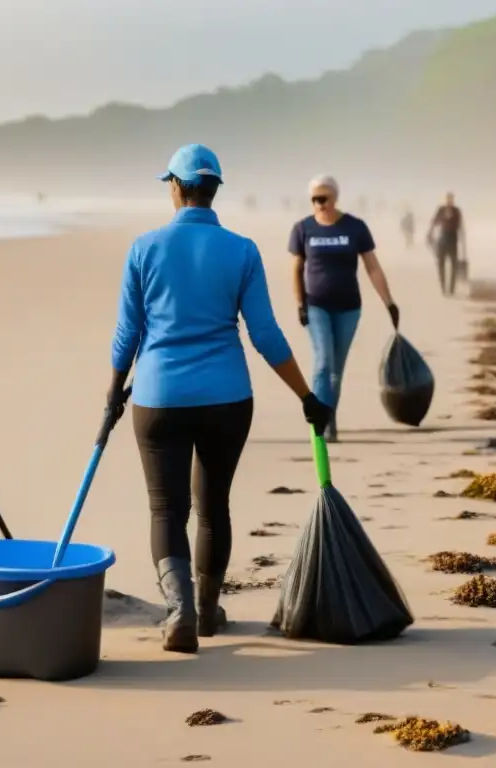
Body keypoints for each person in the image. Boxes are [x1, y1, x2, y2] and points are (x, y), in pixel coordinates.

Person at [106, 144, 334, 654]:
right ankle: (207, 613)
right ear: (213, 190)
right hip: (227, 397)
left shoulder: (144, 248)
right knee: (213, 508)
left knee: (166, 510)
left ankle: (179, 610)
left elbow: (128, 334)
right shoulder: (242, 250)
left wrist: (111, 395)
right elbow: (266, 335)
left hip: (158, 396)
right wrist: (306, 394)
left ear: (175, 187)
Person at [288, 175, 400, 442]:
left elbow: (372, 267)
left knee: (337, 370)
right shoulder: (303, 229)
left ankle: (331, 417)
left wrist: (389, 302)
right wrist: (299, 304)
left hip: (349, 308)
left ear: (335, 197)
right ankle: (320, 421)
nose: (319, 204)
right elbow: (296, 268)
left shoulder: (355, 227)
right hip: (316, 306)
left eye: (324, 198)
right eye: (315, 199)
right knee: (323, 362)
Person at [426, 192, 466, 296]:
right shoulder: (441, 209)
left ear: (453, 200)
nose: (449, 201)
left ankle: (451, 289)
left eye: (451, 199)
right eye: (448, 199)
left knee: (454, 265)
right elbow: (434, 222)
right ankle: (443, 288)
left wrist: (463, 244)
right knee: (440, 265)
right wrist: (429, 233)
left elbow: (460, 227)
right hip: (442, 239)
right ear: (445, 200)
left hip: (453, 239)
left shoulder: (457, 211)